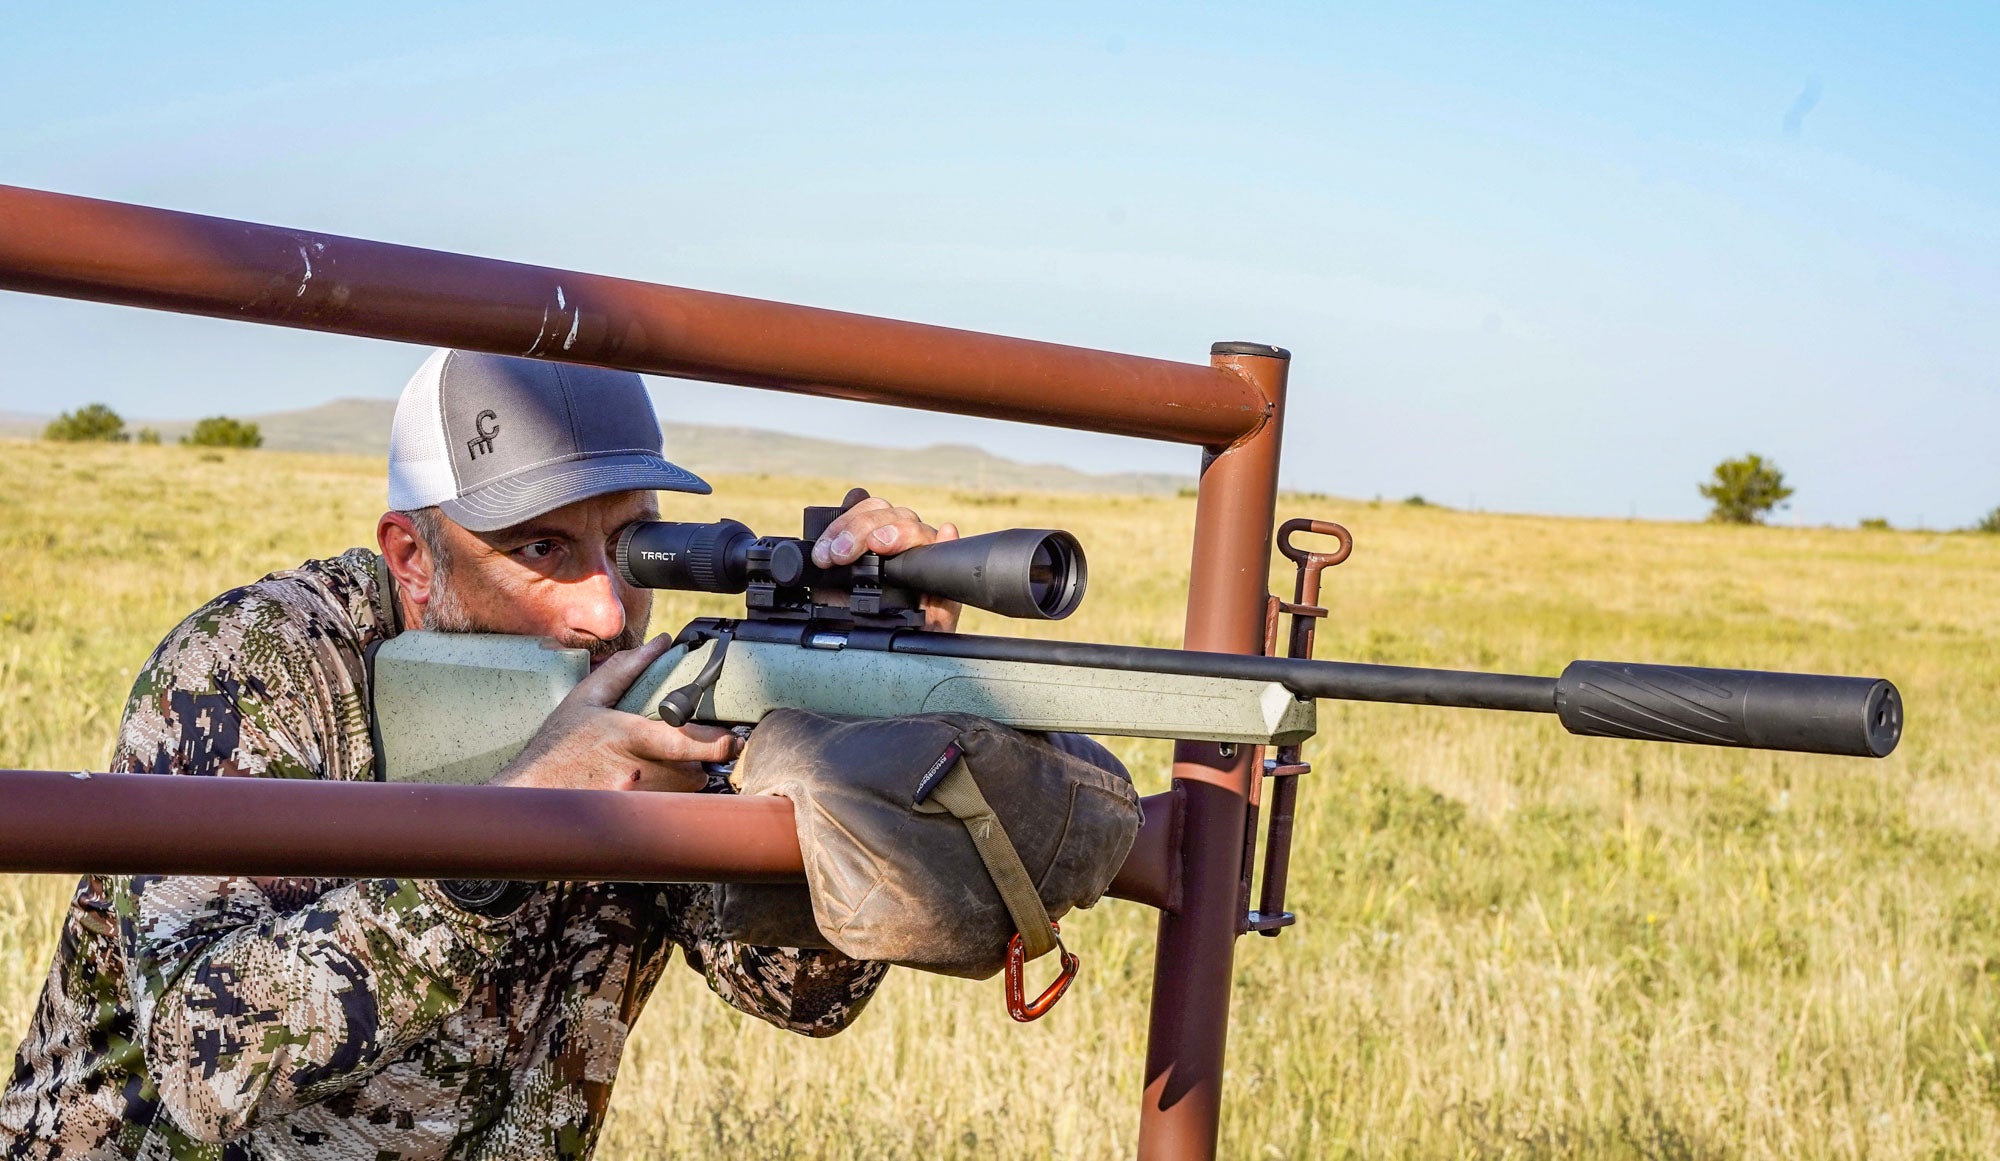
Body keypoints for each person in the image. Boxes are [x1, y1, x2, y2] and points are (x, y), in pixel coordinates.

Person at [0, 350, 967, 1160]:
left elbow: (797, 993)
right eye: (543, 550)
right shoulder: (259, 664)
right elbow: (200, 1068)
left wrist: (852, 729)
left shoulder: (650, 691)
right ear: (412, 559)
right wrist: (505, 833)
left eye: (635, 547)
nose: (604, 609)